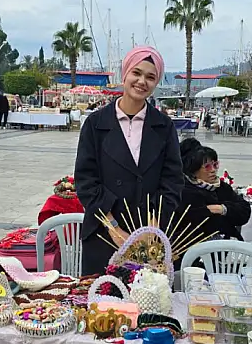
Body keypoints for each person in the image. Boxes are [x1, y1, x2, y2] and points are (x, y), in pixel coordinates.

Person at [75, 45, 183, 276]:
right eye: (137, 73)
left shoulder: (164, 127)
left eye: (150, 77)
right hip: (103, 234)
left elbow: (173, 181)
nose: (142, 81)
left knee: (149, 305)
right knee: (102, 305)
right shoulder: (95, 124)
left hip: (151, 238)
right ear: (125, 74)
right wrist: (115, 229)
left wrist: (153, 226)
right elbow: (86, 181)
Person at [177, 139, 251, 243]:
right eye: (207, 167)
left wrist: (221, 208)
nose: (213, 170)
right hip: (196, 247)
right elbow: (197, 218)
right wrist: (227, 212)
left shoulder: (221, 187)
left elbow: (244, 211)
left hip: (227, 242)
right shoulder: (185, 190)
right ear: (194, 170)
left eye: (215, 165)